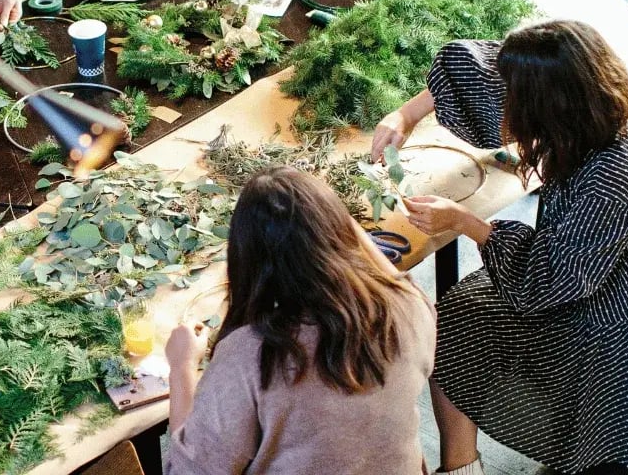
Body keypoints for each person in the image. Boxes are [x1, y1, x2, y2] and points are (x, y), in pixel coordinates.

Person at [370, 20, 628, 475]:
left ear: (550, 110)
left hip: (611, 300)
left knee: (460, 326)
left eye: (516, 105)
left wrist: (464, 222)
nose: (506, 111)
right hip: (583, 257)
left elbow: (546, 283)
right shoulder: (598, 94)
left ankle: (468, 465)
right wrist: (408, 113)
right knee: (459, 310)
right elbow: (480, 67)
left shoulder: (612, 181)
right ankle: (463, 464)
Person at [164, 167, 436, 474]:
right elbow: (396, 280)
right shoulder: (409, 307)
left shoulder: (250, 357)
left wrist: (182, 368)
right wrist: (326, 212)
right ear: (339, 233)